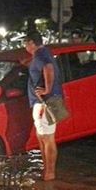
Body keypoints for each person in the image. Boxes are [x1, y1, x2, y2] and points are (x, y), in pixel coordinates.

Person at [25, 31, 64, 181]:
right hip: (49, 100)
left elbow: (48, 68)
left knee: (47, 137)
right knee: (42, 136)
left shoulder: (41, 55)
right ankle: (47, 170)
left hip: (46, 102)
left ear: (32, 43)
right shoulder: (44, 53)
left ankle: (49, 173)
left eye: (26, 43)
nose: (25, 46)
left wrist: (47, 89)